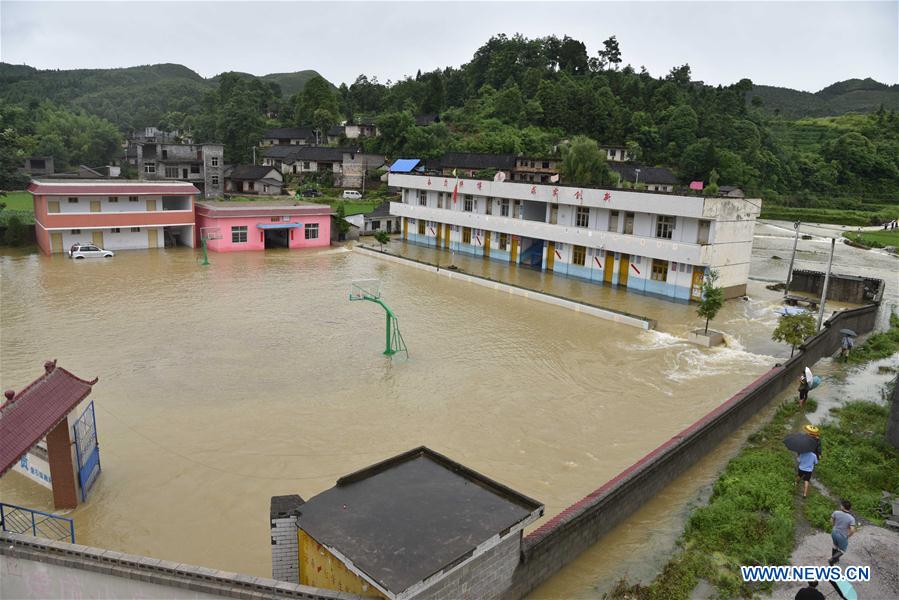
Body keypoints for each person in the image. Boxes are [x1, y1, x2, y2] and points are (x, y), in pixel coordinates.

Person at [829, 499, 857, 565]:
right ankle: (832, 560)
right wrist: (848, 535)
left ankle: (835, 560)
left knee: (835, 545)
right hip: (842, 535)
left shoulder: (836, 512)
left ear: (842, 507)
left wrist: (834, 526)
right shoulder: (851, 518)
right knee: (842, 550)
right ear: (849, 508)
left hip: (834, 532)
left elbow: (831, 521)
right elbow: (852, 530)